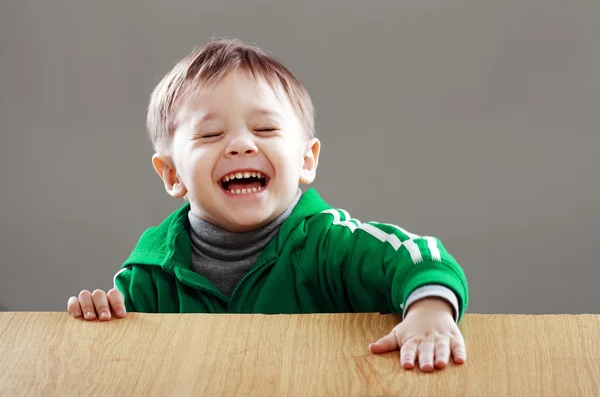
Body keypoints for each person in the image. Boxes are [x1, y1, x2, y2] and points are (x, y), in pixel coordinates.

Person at [67, 39, 469, 372]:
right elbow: (121, 363)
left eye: (265, 129)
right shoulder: (152, 274)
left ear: (306, 160)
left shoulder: (329, 245)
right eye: (210, 134)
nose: (242, 144)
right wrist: (102, 315)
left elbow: (419, 257)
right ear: (173, 175)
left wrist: (429, 311)